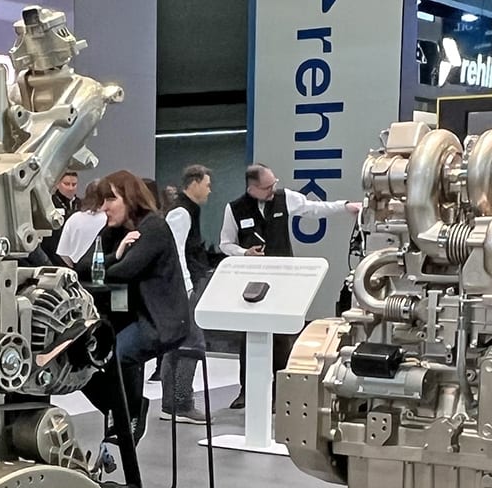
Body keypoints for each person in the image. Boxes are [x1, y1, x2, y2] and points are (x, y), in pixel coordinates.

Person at [217, 163, 361, 408]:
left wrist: (345, 206)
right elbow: (225, 243)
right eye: (267, 186)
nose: (273, 189)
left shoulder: (286, 198)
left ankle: (280, 391)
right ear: (252, 188)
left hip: (281, 279)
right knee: (248, 334)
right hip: (250, 282)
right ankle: (246, 390)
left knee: (281, 335)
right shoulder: (234, 209)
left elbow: (314, 209)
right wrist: (244, 253)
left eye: (274, 183)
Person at [82, 171, 191, 442]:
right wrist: (116, 253)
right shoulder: (113, 232)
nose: (104, 208)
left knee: (117, 354)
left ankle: (127, 414)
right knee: (80, 360)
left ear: (129, 199)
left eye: (110, 199)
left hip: (159, 320)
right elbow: (83, 266)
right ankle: (123, 411)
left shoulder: (154, 227)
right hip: (125, 317)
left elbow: (124, 272)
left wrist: (111, 263)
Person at [156, 164, 216, 424]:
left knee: (178, 344)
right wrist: (186, 287)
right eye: (207, 184)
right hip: (183, 286)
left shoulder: (187, 210)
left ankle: (171, 404)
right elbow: (176, 252)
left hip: (183, 284)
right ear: (194, 183)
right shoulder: (181, 212)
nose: (210, 190)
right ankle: (181, 403)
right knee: (192, 343)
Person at [56, 181, 107, 267]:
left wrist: (74, 268)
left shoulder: (74, 218)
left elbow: (63, 252)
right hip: (103, 267)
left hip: (76, 268)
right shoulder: (109, 219)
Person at [40, 171, 81, 261]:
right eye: (66, 184)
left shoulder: (81, 204)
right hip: (52, 251)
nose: (70, 188)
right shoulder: (49, 203)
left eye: (74, 185)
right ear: (57, 184)